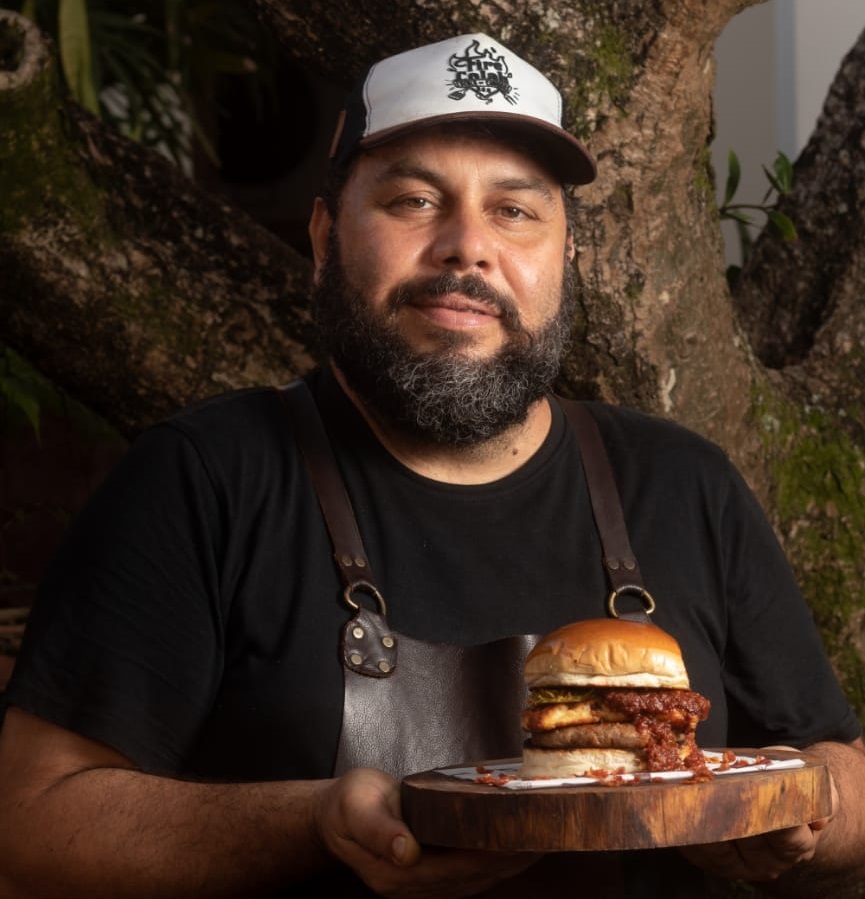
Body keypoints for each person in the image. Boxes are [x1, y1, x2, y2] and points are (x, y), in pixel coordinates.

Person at [0, 31, 863, 899]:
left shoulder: (683, 482)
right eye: (414, 201)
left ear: (566, 256)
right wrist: (312, 821)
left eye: (515, 210)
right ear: (324, 235)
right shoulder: (202, 480)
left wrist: (797, 812)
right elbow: (30, 826)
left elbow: (846, 777)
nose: (467, 248)